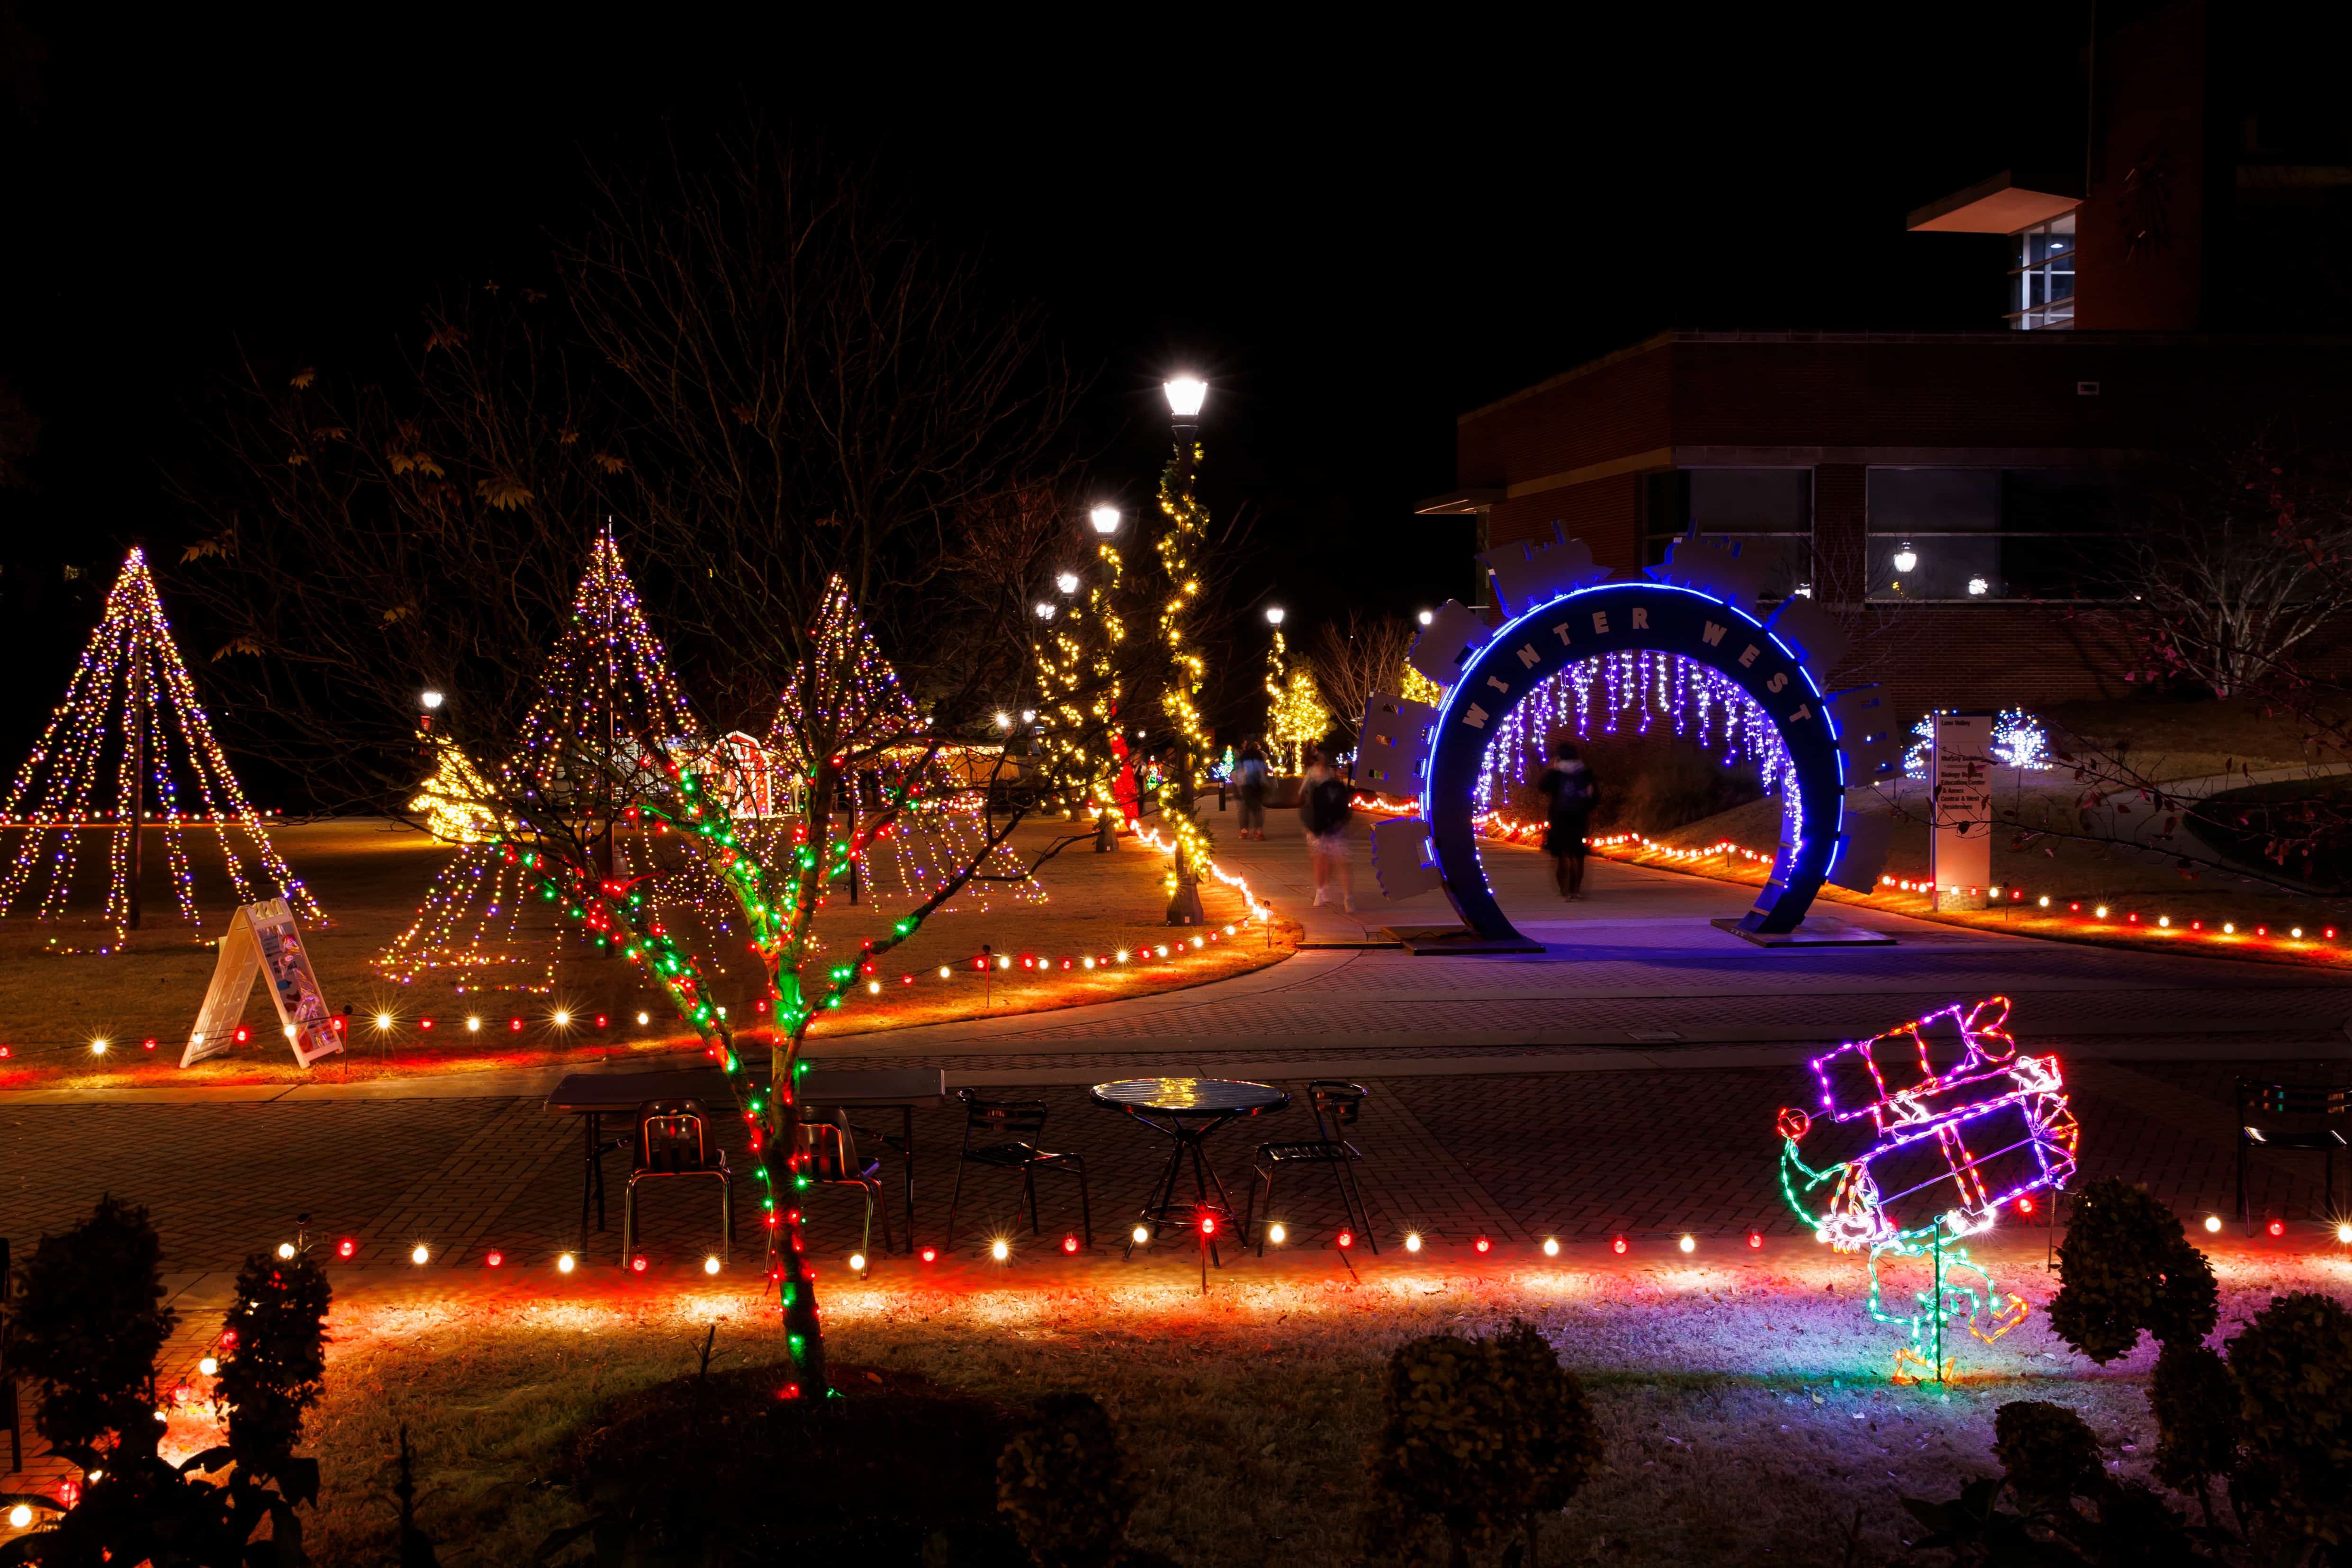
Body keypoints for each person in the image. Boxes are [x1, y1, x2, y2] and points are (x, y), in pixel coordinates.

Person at [1536, 741, 1598, 900]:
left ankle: (1564, 890)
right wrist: (1585, 808)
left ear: (1559, 757)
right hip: (1579, 818)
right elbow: (1595, 797)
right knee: (1578, 854)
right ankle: (1575, 889)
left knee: (1562, 854)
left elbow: (1542, 787)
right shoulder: (1585, 772)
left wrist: (1552, 769)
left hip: (1559, 818)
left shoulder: (1556, 773)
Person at [1298, 746, 1355, 911]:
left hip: (1329, 828)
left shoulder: (1330, 787)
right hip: (1322, 828)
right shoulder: (1325, 786)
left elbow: (1344, 809)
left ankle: (1330, 893)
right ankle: (1326, 892)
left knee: (1329, 860)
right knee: (1325, 860)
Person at [1235, 740, 1269, 840]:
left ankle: (1244, 831)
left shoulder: (1243, 757)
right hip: (1257, 784)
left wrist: (1239, 784)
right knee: (1258, 809)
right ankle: (1258, 832)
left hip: (1245, 785)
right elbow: (1263, 772)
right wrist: (1265, 784)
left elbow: (1239, 772)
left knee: (1244, 807)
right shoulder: (1260, 756)